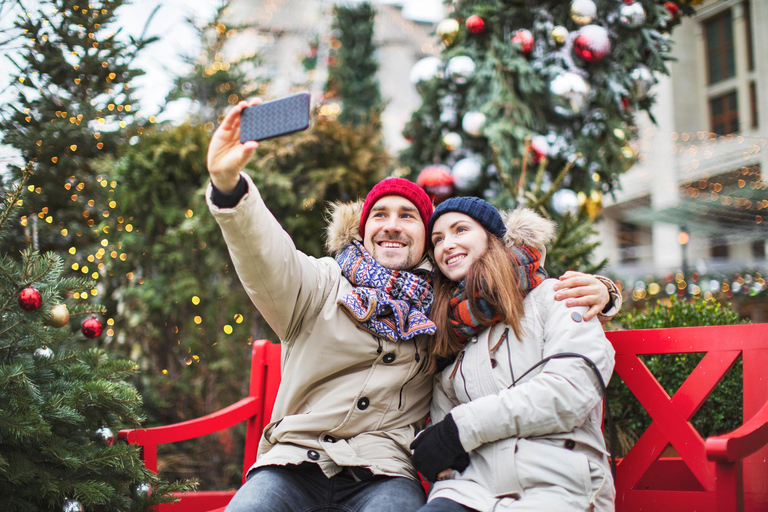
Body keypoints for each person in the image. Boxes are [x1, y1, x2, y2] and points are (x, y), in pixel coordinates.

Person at [206, 99, 619, 512]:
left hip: (384, 473)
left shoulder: (443, 315)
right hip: (294, 461)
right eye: (379, 215)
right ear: (363, 231)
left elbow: (540, 324)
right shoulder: (322, 284)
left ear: (421, 241)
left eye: (408, 217)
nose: (391, 225)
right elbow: (267, 256)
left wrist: (606, 291)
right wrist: (231, 189)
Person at [410, 196, 616, 512]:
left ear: (493, 237)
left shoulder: (555, 297)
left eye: (460, 229)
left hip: (558, 485)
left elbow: (569, 392)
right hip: (470, 491)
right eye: (437, 240)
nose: (447, 245)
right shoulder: (450, 329)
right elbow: (442, 422)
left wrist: (463, 427)